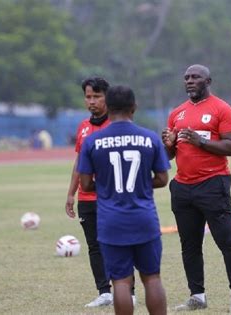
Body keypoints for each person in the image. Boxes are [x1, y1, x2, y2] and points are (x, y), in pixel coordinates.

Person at [162, 64, 231, 312]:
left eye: (195, 77)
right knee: (189, 245)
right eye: (186, 77)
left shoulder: (222, 109)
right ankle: (197, 296)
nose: (190, 81)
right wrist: (168, 144)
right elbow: (170, 155)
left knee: (226, 241)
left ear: (208, 80)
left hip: (213, 183)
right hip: (183, 187)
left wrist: (200, 140)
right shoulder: (177, 114)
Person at [78, 85, 169, 315]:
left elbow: (86, 184)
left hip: (111, 221)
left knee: (120, 281)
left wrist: (107, 186)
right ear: (134, 107)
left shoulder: (92, 142)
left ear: (107, 107)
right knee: (152, 277)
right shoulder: (150, 138)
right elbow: (162, 178)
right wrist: (140, 184)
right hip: (144, 218)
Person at [65, 77, 136, 307]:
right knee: (95, 246)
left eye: (97, 96)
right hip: (87, 197)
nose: (92, 101)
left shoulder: (116, 127)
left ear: (108, 98)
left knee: (121, 242)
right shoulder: (83, 127)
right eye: (88, 97)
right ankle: (104, 291)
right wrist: (71, 193)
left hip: (113, 196)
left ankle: (129, 292)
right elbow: (79, 162)